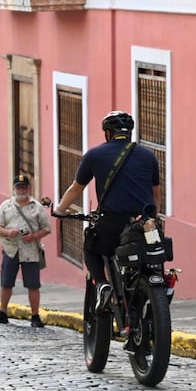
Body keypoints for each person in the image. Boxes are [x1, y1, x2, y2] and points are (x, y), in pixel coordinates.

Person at [55, 111, 161, 312]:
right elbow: (156, 194)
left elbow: (77, 188)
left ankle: (103, 284)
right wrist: (153, 218)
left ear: (107, 134)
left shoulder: (94, 155)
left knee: (92, 248)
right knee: (151, 258)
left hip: (112, 222)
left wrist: (60, 209)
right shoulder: (148, 156)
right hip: (144, 223)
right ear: (129, 132)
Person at [0, 175, 51, 327]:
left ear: (29, 188)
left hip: (30, 251)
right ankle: (2, 312)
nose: (21, 190)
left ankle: (35, 316)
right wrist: (7, 232)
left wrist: (34, 236)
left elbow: (47, 228)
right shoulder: (6, 206)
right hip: (11, 249)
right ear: (14, 189)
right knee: (6, 282)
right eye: (18, 187)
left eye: (24, 187)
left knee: (33, 285)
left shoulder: (37, 207)